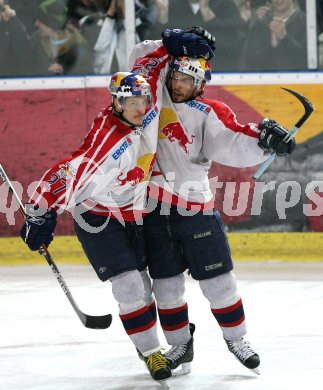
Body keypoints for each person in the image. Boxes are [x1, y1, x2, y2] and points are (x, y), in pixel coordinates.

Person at [19, 29, 215, 383]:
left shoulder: (147, 111)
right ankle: (152, 354)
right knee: (128, 288)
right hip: (97, 218)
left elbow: (147, 67)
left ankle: (167, 339)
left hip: (133, 212)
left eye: (144, 102)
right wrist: (39, 215)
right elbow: (62, 174)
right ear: (116, 104)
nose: (142, 108)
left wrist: (171, 43)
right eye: (133, 103)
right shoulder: (108, 145)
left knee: (146, 286)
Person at [130, 32, 296, 375]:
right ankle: (180, 346)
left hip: (196, 212)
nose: (178, 83)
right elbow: (140, 56)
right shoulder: (150, 100)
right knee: (167, 287)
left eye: (188, 79)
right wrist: (170, 40)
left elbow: (234, 138)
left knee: (220, 283)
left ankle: (236, 338)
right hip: (155, 212)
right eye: (175, 74)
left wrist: (265, 139)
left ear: (202, 82)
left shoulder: (208, 112)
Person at [245, 0, 307, 71]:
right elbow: (250, 62)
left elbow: (308, 61)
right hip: (267, 80)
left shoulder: (306, 22)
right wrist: (271, 45)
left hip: (297, 80)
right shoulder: (260, 24)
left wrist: (285, 38)